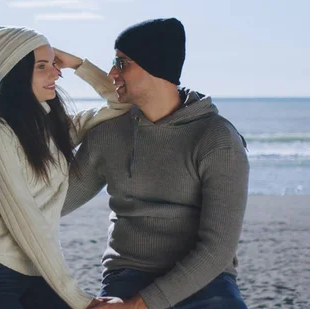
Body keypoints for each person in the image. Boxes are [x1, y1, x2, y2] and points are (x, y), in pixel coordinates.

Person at [54, 18, 250, 309]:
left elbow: (217, 250)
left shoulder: (217, 139)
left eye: (122, 64)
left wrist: (139, 305)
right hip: (127, 275)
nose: (112, 73)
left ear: (155, 67)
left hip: (205, 282)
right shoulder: (109, 133)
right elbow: (53, 203)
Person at [0, 26, 130, 309]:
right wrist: (80, 300)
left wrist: (78, 64)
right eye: (42, 66)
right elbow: (27, 221)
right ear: (17, 74)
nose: (56, 74)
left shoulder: (55, 129)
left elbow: (123, 104)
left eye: (55, 65)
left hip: (37, 271)